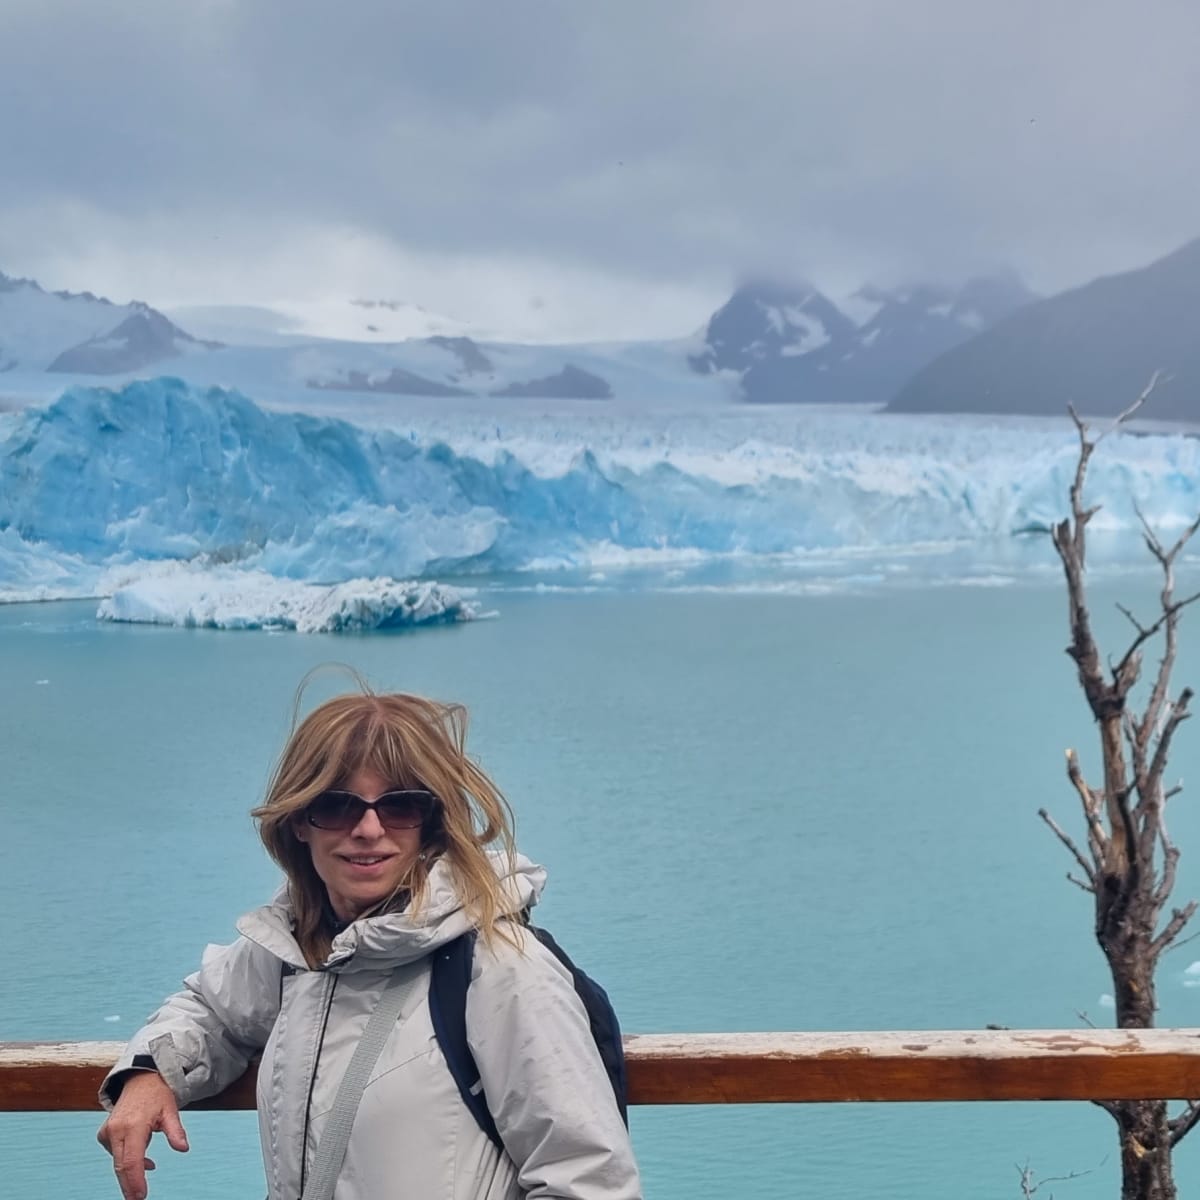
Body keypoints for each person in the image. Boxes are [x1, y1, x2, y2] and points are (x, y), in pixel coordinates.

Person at [97, 688, 642, 1200]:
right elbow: (210, 1009)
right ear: (299, 822)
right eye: (337, 806)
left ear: (431, 822)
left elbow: (588, 1182)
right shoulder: (298, 952)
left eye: (400, 806)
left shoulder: (501, 968)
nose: (368, 828)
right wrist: (148, 1073)